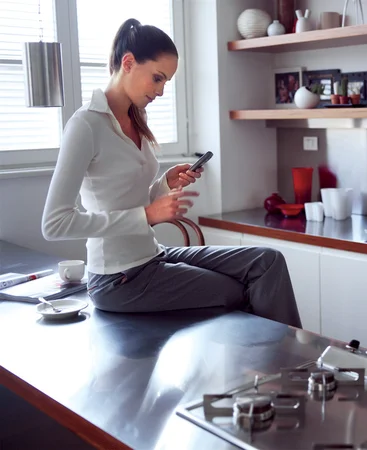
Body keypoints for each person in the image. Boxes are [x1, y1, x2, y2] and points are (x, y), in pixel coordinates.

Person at [41, 18, 302, 328]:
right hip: (117, 279)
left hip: (153, 256)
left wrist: (164, 184)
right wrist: (147, 216)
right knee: (237, 291)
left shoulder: (135, 119)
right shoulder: (85, 125)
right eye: (157, 78)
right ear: (128, 63)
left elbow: (130, 198)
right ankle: (279, 370)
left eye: (166, 82)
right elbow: (54, 223)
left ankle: (293, 369)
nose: (161, 91)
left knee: (267, 262)